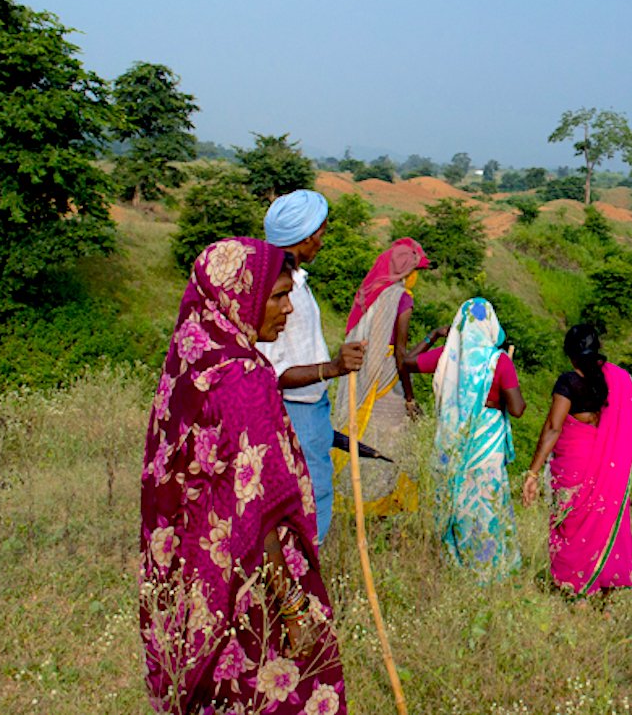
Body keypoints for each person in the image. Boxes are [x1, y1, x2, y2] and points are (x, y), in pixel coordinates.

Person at [140, 237, 346, 714]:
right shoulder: (243, 380)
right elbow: (262, 511)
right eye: (276, 296)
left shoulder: (192, 364)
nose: (288, 308)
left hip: (193, 574)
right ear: (239, 298)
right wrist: (291, 608)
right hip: (249, 578)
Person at [257, 189, 366, 544]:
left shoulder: (296, 281)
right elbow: (273, 372)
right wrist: (332, 368)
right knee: (307, 504)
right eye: (321, 232)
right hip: (294, 410)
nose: (322, 241)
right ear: (306, 236)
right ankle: (297, 585)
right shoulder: (274, 289)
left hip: (311, 409)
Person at [404, 298, 526, 580]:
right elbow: (518, 410)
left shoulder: (448, 357)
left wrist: (433, 335)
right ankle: (487, 567)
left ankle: (455, 561)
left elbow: (407, 362)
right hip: (488, 445)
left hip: (453, 445)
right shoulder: (500, 362)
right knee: (486, 504)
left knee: (458, 502)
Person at [522, 324, 632, 596]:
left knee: (571, 525)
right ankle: (606, 596)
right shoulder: (621, 381)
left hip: (576, 465)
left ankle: (578, 593)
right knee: (607, 521)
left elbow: (553, 426)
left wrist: (532, 473)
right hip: (611, 470)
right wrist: (621, 463)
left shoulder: (569, 382)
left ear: (570, 354)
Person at [333, 237, 430, 517]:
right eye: (415, 272)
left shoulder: (373, 293)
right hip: (387, 381)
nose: (416, 279)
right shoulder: (401, 297)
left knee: (363, 435)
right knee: (390, 444)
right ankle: (382, 508)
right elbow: (401, 355)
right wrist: (410, 397)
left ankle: (352, 504)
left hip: (364, 376)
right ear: (405, 272)